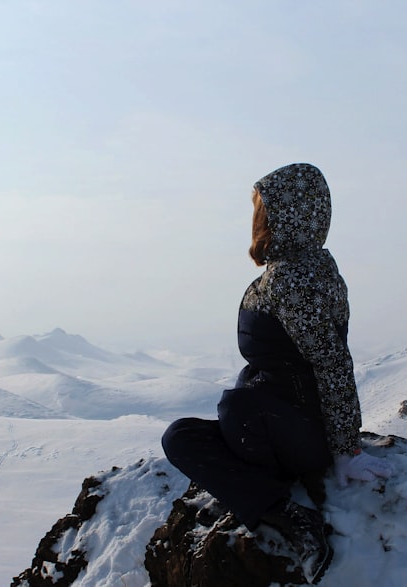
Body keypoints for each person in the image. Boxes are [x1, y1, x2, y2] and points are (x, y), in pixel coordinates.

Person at [162, 163, 393, 584]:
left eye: (261, 210)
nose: (256, 219)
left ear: (286, 216)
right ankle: (260, 494)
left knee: (229, 410)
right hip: (280, 428)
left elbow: (333, 362)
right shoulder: (304, 266)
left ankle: (292, 520)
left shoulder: (294, 280)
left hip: (295, 433)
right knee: (182, 436)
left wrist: (345, 449)